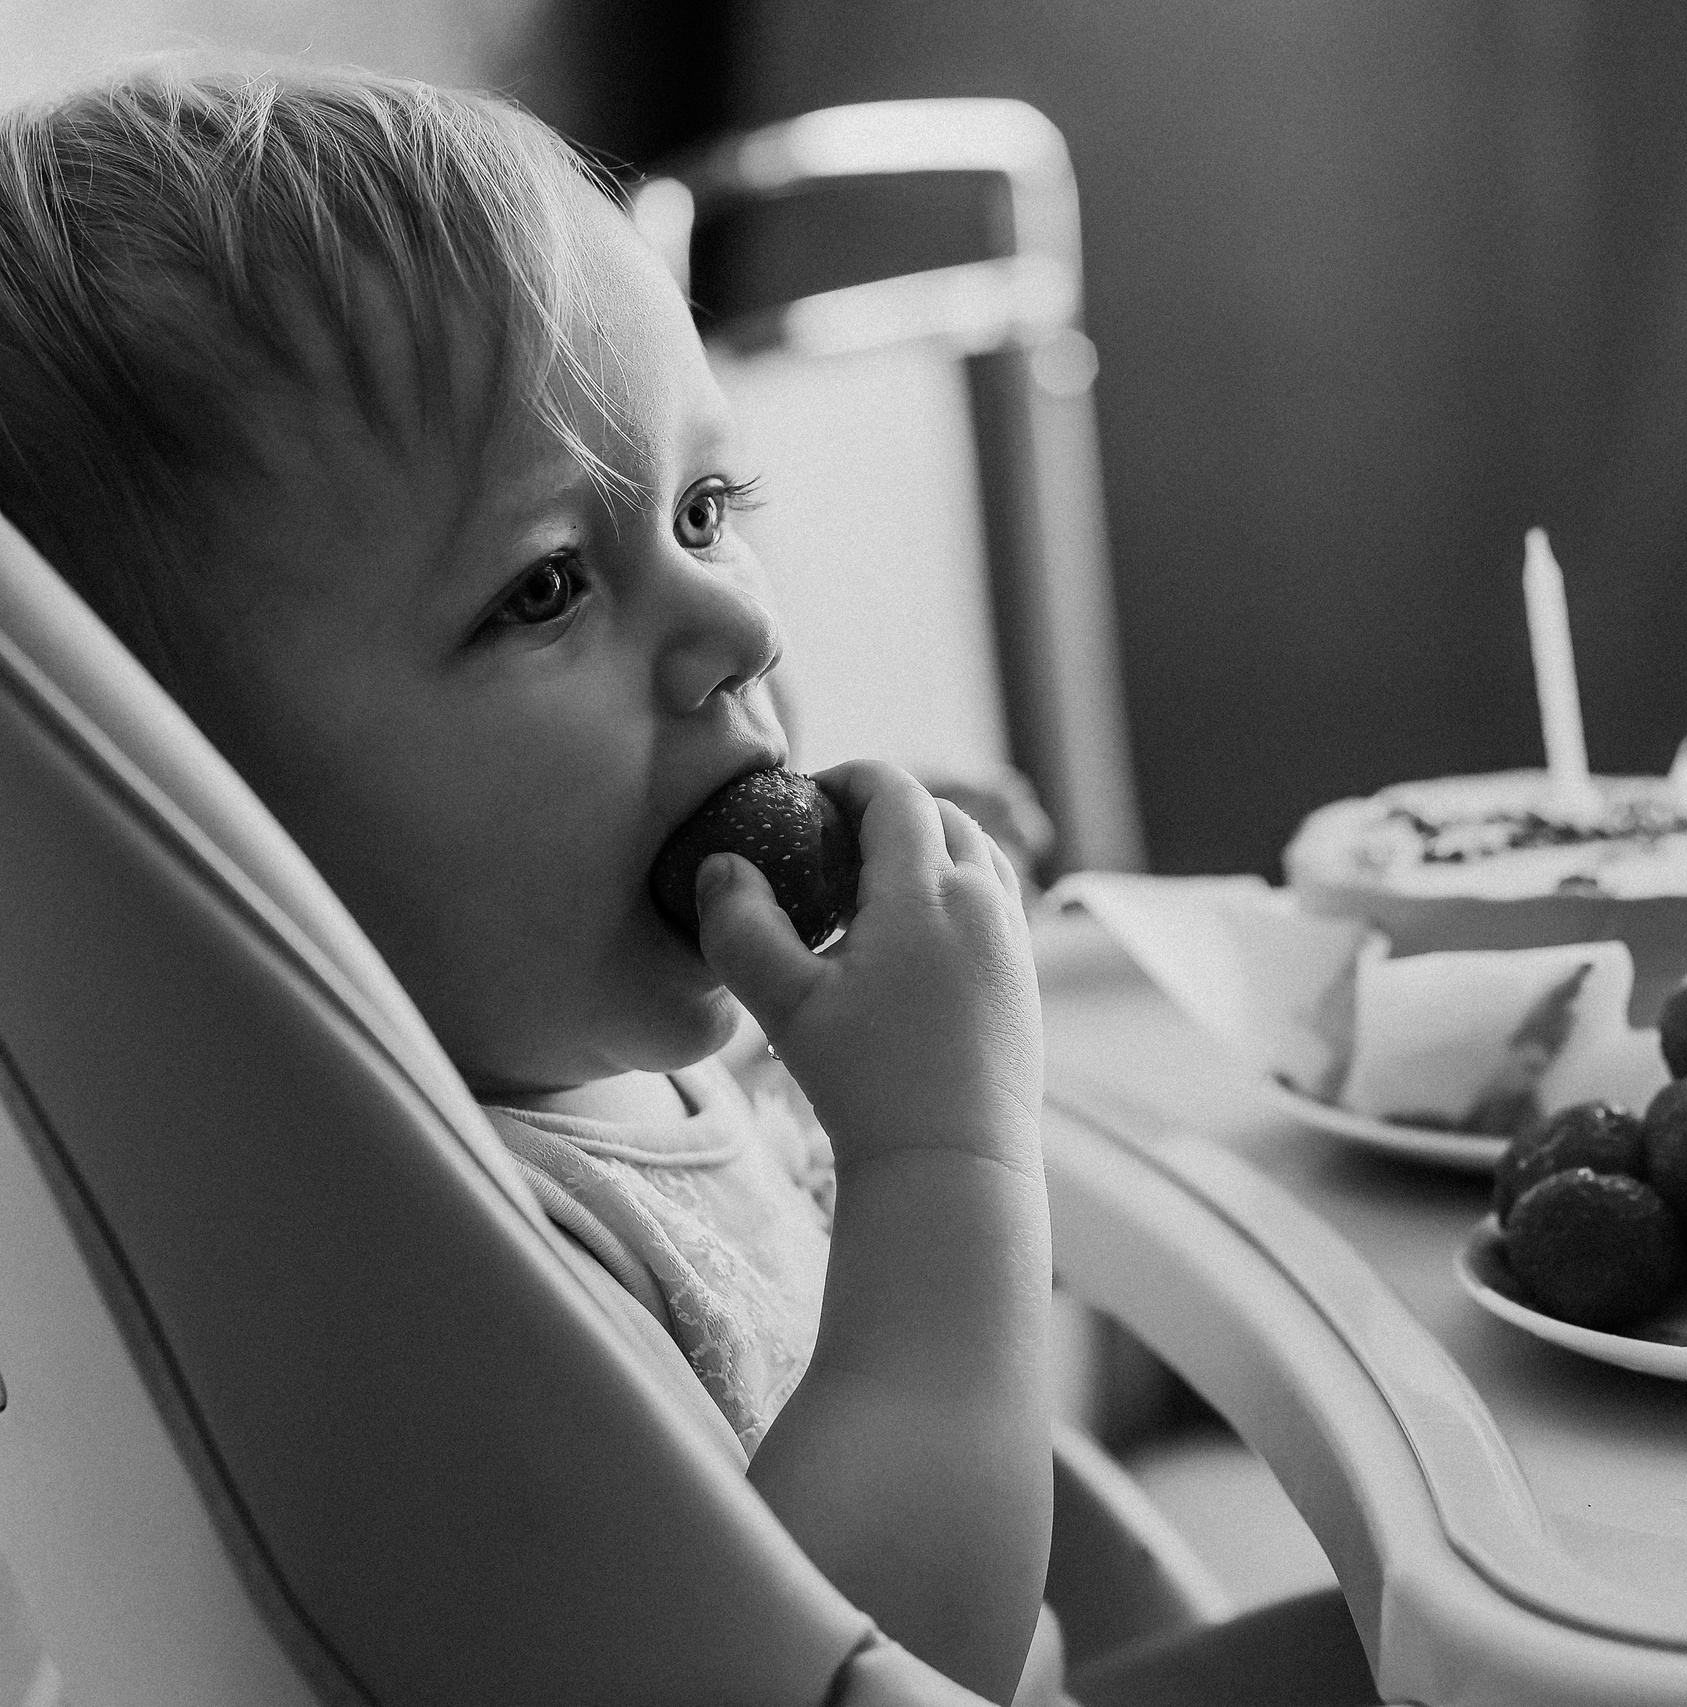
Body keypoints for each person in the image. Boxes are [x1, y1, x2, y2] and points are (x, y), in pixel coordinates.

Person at [0, 60, 1057, 1706]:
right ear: (207, 811)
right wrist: (948, 1158)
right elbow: (890, 1663)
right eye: (549, 586)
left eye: (709, 507)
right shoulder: (433, 1306)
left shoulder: (577, 1059)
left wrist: (833, 1047)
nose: (743, 631)